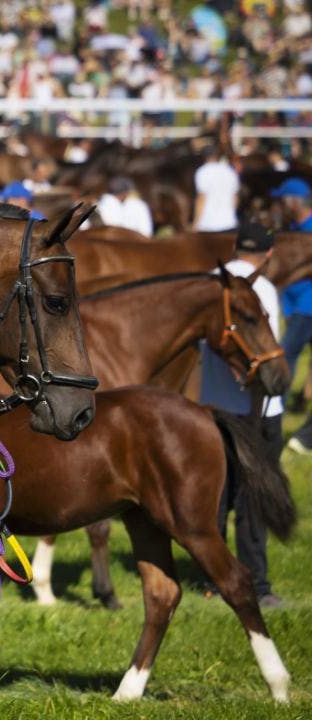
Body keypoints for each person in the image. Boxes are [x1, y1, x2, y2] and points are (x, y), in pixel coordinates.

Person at [198, 222, 284, 609]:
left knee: (215, 494)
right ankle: (259, 585)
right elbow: (269, 354)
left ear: (234, 246)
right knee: (253, 498)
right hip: (257, 412)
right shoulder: (261, 289)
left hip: (213, 408)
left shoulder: (209, 285)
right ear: (268, 254)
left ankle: (213, 578)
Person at [270, 179, 312, 445]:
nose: (279, 207)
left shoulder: (307, 232)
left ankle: (274, 413)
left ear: (292, 203)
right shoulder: (295, 229)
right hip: (297, 308)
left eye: (282, 201)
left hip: (306, 308)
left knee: (284, 358)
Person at [194, 146, 240, 232]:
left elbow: (201, 198)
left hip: (207, 224)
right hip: (229, 223)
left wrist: (196, 222)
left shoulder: (202, 172)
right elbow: (235, 198)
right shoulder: (229, 171)